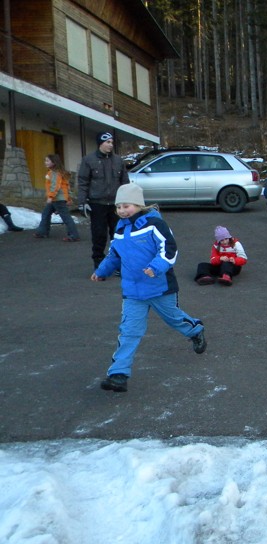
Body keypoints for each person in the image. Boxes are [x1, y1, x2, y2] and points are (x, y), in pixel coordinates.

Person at [91, 183, 206, 393]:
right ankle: (118, 374)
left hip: (160, 287)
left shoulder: (154, 223)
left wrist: (156, 267)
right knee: (128, 331)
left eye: (126, 206)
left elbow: (169, 249)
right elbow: (114, 255)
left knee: (174, 318)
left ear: (138, 204)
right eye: (118, 207)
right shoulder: (120, 229)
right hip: (133, 292)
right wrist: (101, 271)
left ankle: (195, 331)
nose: (122, 211)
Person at [77, 131, 130, 268]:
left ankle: (118, 264)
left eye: (112, 142)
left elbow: (125, 182)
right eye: (107, 142)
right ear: (100, 143)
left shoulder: (118, 160)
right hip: (97, 204)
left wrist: (127, 202)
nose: (111, 145)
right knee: (99, 236)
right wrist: (82, 202)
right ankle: (99, 264)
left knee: (118, 235)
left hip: (116, 205)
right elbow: (83, 182)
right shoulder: (88, 160)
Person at [33, 154, 80, 242]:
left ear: (53, 162)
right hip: (59, 198)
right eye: (45, 160)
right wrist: (68, 198)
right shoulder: (59, 172)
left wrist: (50, 196)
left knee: (65, 217)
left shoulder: (54, 173)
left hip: (57, 198)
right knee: (46, 213)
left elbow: (55, 186)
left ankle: (74, 235)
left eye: (47, 161)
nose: (45, 162)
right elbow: (66, 186)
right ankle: (42, 232)